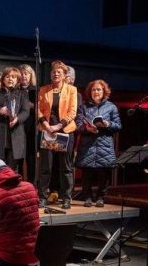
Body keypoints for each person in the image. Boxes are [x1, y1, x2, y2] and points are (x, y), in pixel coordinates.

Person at [37, 60, 77, 209]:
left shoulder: (71, 90)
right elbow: (39, 110)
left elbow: (72, 111)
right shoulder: (44, 89)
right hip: (47, 131)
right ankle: (42, 197)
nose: (55, 74)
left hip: (64, 131)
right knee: (45, 167)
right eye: (53, 71)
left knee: (65, 167)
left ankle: (66, 197)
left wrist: (58, 126)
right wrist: (47, 125)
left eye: (58, 72)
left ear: (64, 75)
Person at [75, 80, 121, 207]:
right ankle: (87, 197)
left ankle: (101, 197)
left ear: (104, 91)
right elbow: (78, 125)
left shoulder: (111, 107)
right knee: (87, 172)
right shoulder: (83, 107)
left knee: (103, 172)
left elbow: (118, 125)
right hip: (87, 144)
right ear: (90, 92)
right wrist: (87, 129)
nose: (96, 92)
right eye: (94, 89)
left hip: (104, 144)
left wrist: (108, 124)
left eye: (99, 89)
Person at [19, 64, 37, 183]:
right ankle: (18, 183)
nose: (24, 76)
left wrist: (34, 106)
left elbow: (44, 109)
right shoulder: (15, 90)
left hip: (32, 127)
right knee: (18, 157)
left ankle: (31, 185)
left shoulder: (36, 91)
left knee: (31, 158)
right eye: (22, 73)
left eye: (26, 73)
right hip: (18, 127)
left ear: (31, 76)